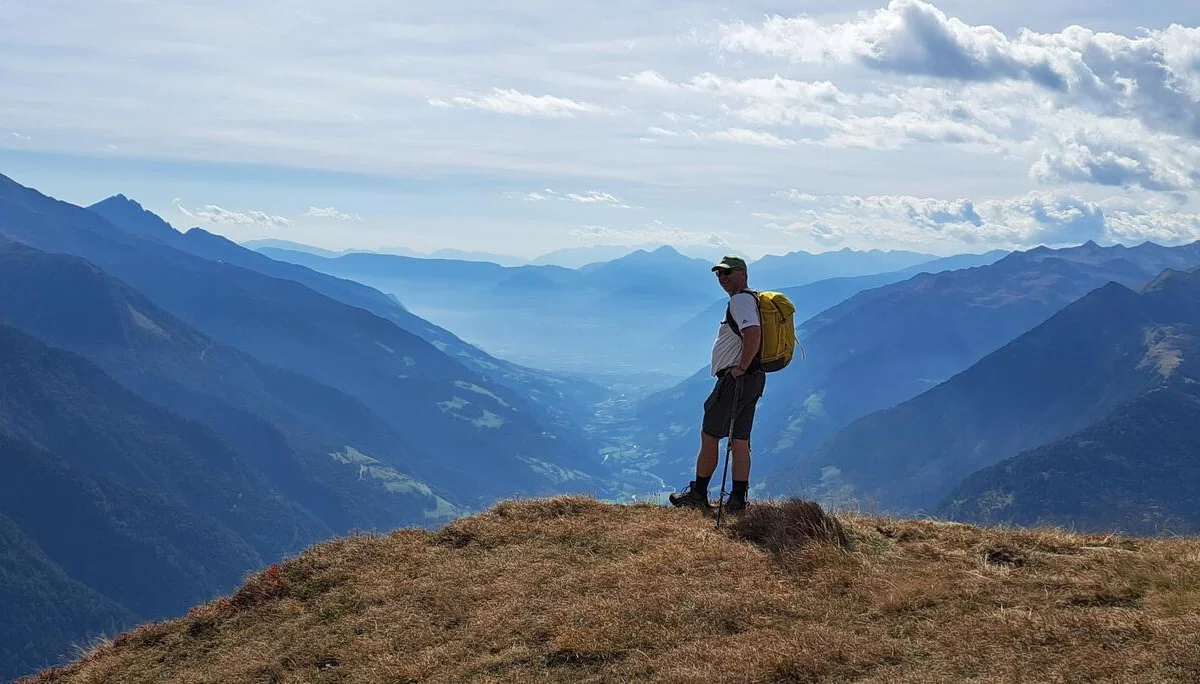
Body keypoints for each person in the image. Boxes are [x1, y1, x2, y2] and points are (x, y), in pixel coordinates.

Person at [670, 254, 766, 515]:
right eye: (719, 274)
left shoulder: (740, 301)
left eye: (728, 273)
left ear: (742, 274)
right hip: (753, 379)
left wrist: (741, 368)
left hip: (736, 380)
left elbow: (752, 333)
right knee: (740, 440)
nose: (722, 278)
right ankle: (737, 499)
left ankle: (699, 493)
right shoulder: (753, 299)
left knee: (710, 434)